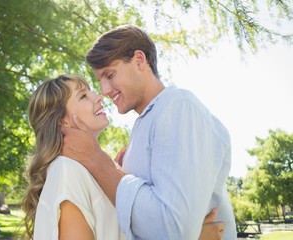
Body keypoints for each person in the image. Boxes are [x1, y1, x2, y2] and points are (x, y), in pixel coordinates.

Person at [61, 25, 237, 239]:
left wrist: (98, 161)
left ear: (139, 60)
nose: (105, 91)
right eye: (100, 81)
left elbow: (173, 228)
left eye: (110, 75)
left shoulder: (179, 106)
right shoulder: (146, 125)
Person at [22, 75, 226, 240]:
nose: (98, 96)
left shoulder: (93, 172)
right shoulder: (66, 171)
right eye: (83, 96)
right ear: (62, 122)